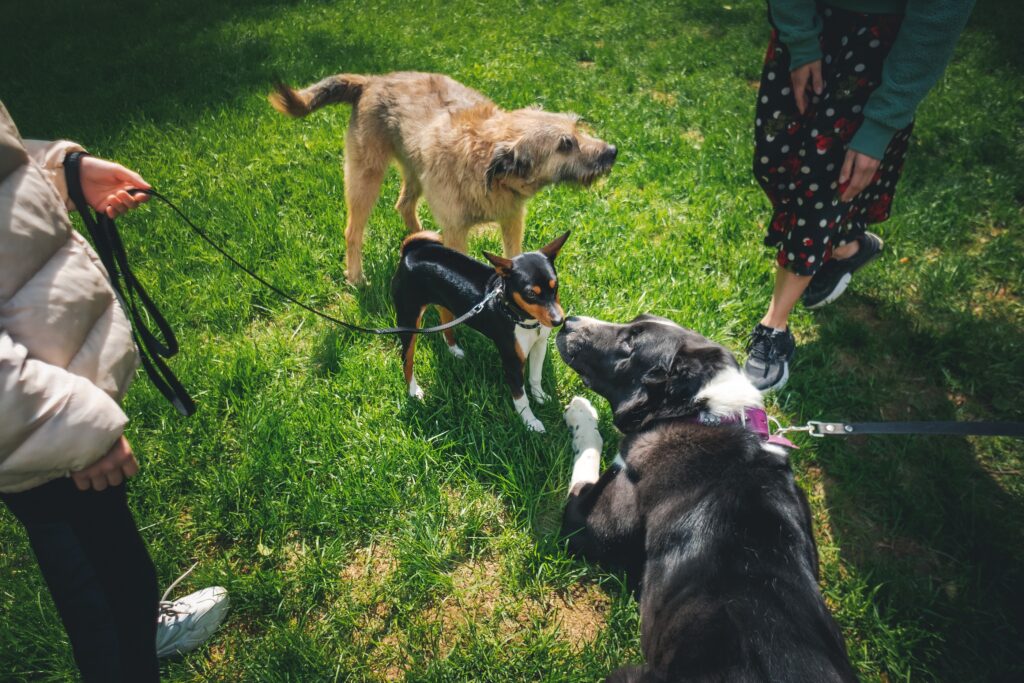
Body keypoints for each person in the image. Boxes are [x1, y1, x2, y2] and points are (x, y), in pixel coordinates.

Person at [0, 101, 228, 681]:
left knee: (108, 562)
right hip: (34, 419)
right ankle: (126, 647)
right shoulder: (57, 429)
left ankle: (134, 629)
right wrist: (66, 428)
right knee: (102, 589)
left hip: (42, 399)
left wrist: (58, 171)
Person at [743, 0, 976, 391]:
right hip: (807, 20)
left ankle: (773, 328)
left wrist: (881, 123)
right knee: (772, 161)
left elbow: (939, 17)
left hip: (877, 45)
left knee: (823, 188)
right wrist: (801, 41)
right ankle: (847, 246)